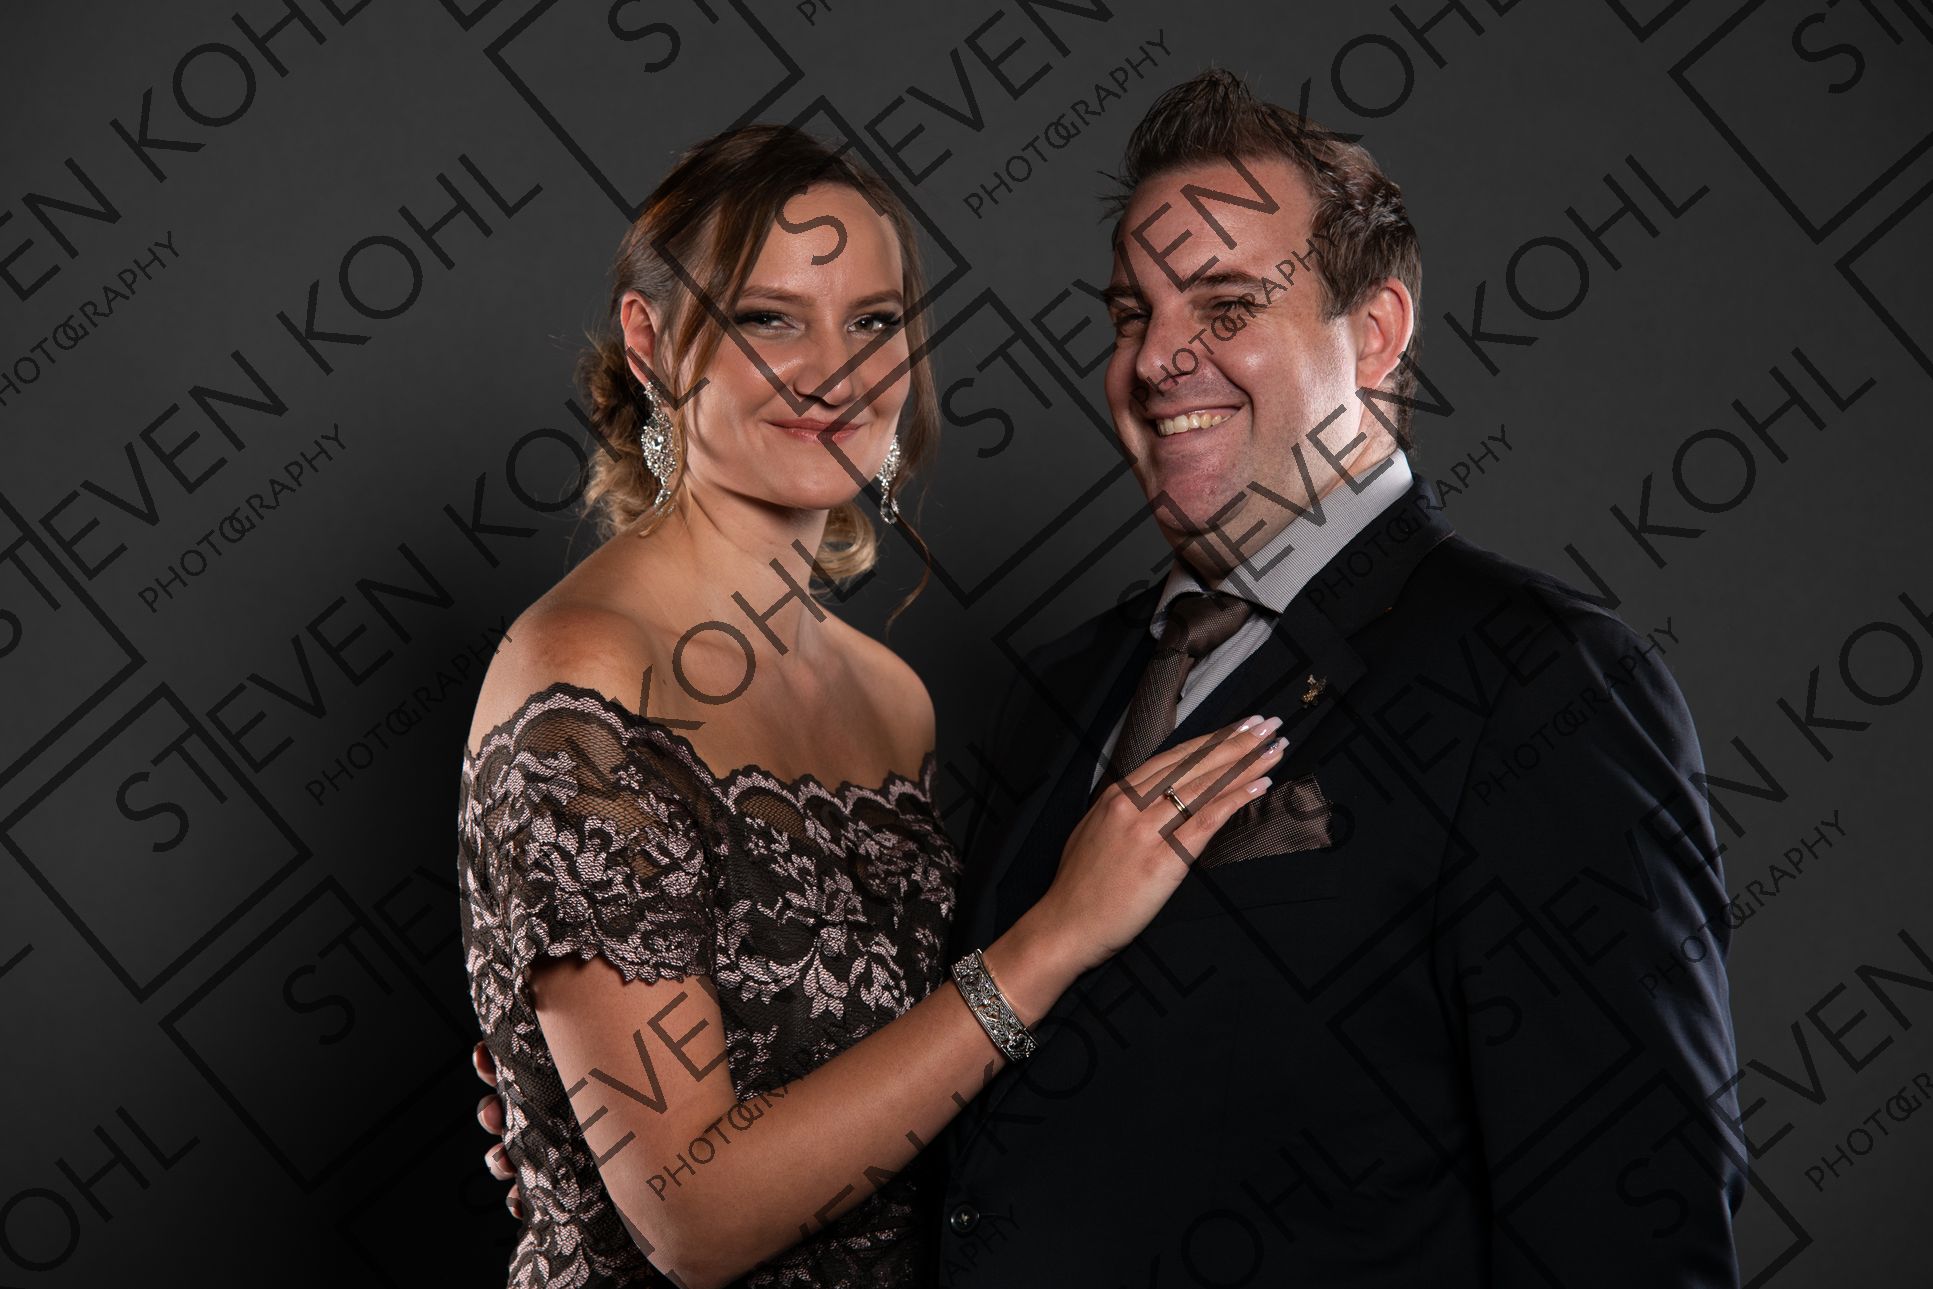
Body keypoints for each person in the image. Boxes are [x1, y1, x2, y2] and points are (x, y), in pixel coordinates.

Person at [933, 70, 1746, 1285]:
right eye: (1130, 313)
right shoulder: (1054, 691)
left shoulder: (1538, 679)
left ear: (1372, 334)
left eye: (1225, 305)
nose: (1156, 359)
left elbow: (1631, 1221)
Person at [455, 123, 1285, 1289]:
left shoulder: (892, 698)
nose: (832, 372)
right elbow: (695, 1220)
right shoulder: (587, 667)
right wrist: (1054, 936)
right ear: (649, 342)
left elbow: (904, 1078)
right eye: (769, 318)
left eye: (872, 321)